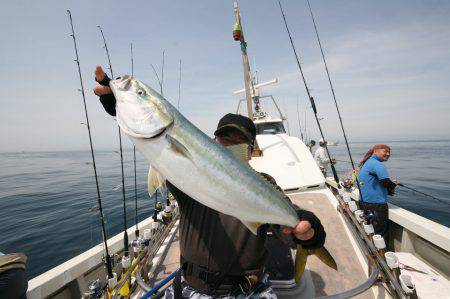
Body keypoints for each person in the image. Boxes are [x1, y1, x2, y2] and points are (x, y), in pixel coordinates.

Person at [93, 66, 326, 298]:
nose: (231, 143)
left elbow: (290, 223)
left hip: (250, 291)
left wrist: (309, 227)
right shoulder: (184, 178)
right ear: (214, 140)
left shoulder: (264, 182)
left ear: (251, 147)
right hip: (192, 289)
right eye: (225, 137)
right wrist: (119, 103)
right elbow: (147, 127)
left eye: (240, 139)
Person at [358, 144, 398, 239]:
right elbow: (385, 182)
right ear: (375, 151)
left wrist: (390, 183)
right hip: (376, 206)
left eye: (389, 152)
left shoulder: (367, 162)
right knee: (380, 234)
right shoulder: (378, 165)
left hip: (363, 202)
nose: (388, 154)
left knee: (370, 230)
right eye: (385, 151)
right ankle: (381, 253)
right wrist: (394, 184)